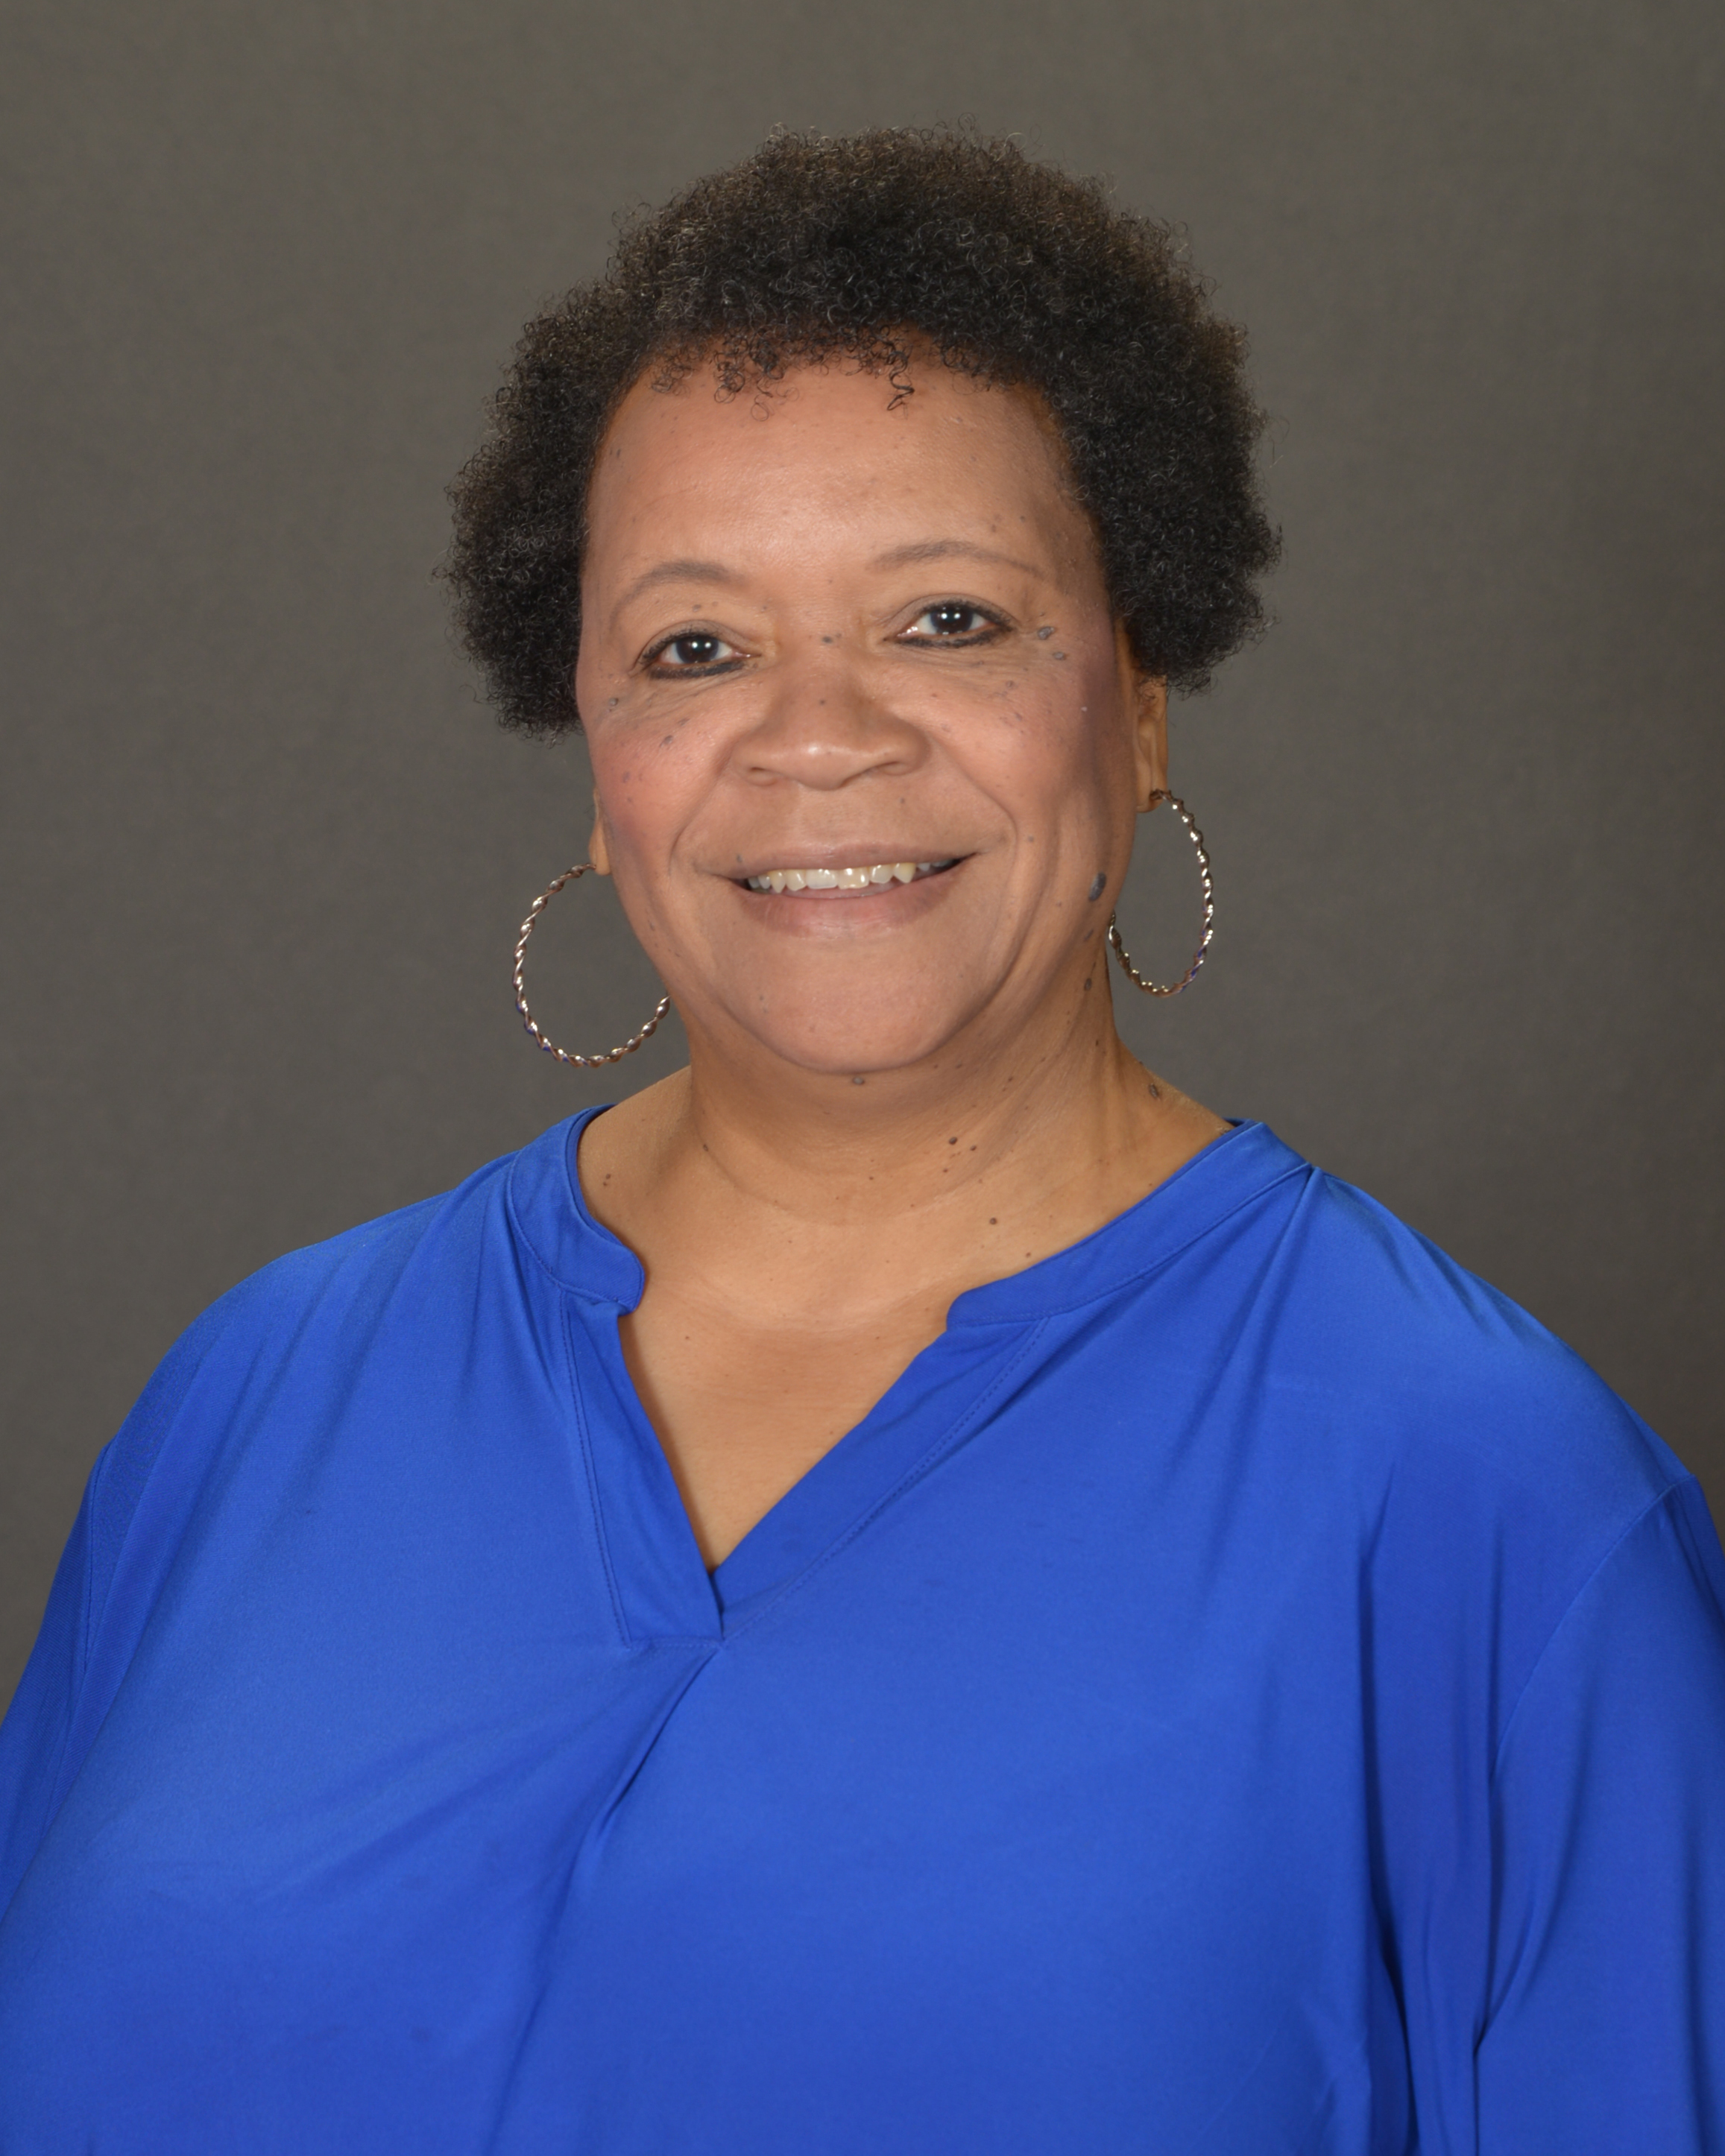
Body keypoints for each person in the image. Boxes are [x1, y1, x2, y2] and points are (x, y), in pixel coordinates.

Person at [0, 127, 1721, 2155]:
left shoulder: (1491, 1502)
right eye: (696, 648)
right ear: (595, 761)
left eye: (948, 620)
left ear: (1138, 702)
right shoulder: (259, 1400)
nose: (819, 735)